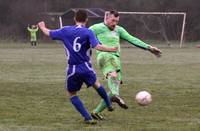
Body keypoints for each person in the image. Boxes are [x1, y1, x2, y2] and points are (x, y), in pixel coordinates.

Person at [38, 9, 118, 124]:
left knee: (72, 94)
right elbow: (97, 46)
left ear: (74, 19)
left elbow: (48, 33)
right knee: (96, 84)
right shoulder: (88, 32)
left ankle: (87, 118)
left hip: (72, 69)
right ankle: (109, 104)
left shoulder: (65, 30)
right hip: (86, 67)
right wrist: (111, 49)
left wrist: (42, 26)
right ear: (86, 20)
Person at [89, 10, 162, 120]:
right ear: (106, 18)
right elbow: (82, 36)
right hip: (105, 56)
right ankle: (115, 95)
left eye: (117, 21)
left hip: (115, 60)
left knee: (114, 87)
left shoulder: (119, 30)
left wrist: (148, 47)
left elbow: (132, 39)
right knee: (113, 78)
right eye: (113, 20)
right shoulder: (96, 28)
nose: (114, 23)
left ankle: (96, 111)